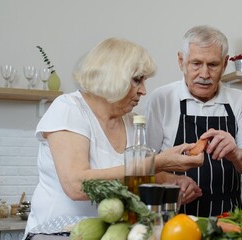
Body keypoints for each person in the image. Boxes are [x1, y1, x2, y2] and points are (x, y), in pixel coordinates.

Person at [25, 38, 204, 234]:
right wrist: (158, 162)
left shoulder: (130, 121)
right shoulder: (69, 109)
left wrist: (172, 180)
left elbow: (135, 173)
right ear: (113, 77)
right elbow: (77, 185)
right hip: (57, 233)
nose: (144, 91)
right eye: (137, 80)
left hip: (112, 234)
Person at [145, 25, 242, 217]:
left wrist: (236, 153)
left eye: (213, 65)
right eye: (196, 64)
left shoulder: (238, 100)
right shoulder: (162, 98)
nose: (205, 74)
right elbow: (143, 166)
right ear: (181, 61)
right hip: (174, 219)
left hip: (229, 219)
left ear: (225, 64)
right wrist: (170, 180)